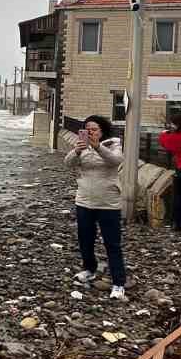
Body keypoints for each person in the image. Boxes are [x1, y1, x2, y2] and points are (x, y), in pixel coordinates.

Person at [65, 114, 127, 301]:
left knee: (112, 243)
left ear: (102, 131)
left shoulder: (113, 144)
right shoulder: (80, 146)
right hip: (84, 199)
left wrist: (97, 146)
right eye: (87, 129)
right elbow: (67, 163)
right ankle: (89, 269)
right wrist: (76, 151)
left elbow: (116, 161)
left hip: (108, 202)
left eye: (94, 129)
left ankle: (118, 283)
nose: (90, 132)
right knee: (85, 239)